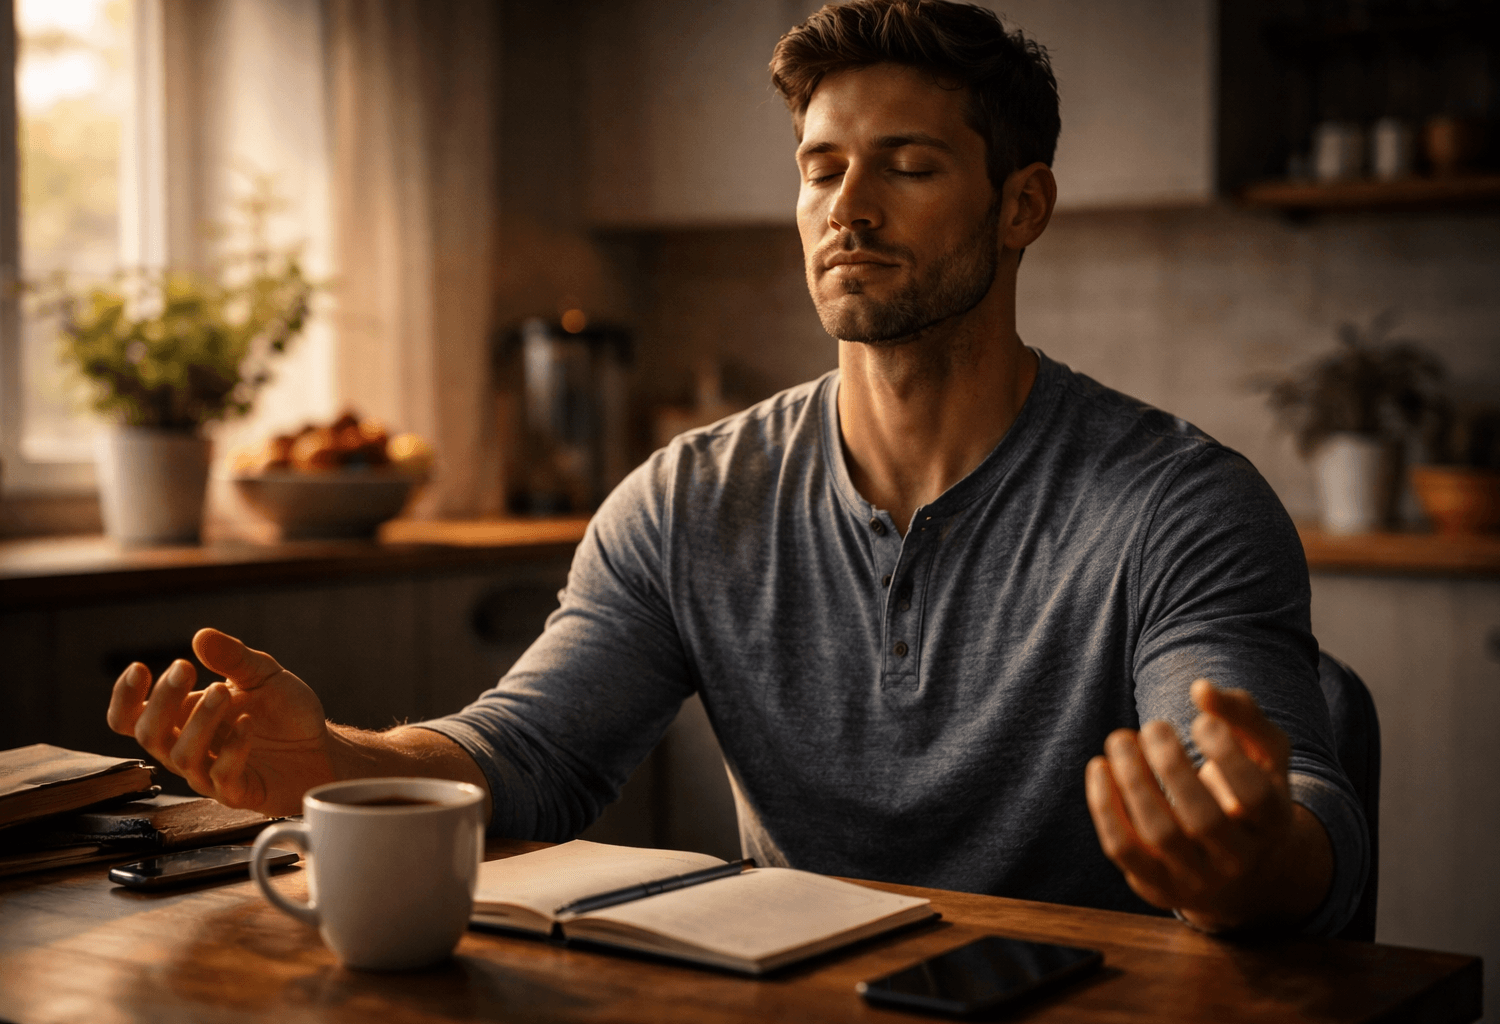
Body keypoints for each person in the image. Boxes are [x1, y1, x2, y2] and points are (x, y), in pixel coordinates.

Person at [107, 0, 1367, 936]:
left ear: (1021, 205)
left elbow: (1295, 808)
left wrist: (1254, 857)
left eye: (909, 166)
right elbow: (530, 755)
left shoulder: (1178, 504)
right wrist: (332, 759)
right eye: (823, 168)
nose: (848, 207)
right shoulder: (688, 497)